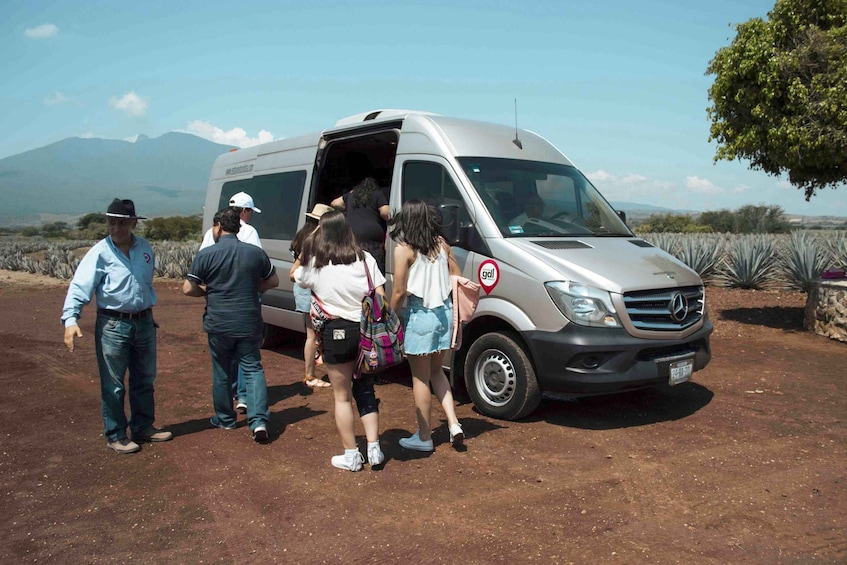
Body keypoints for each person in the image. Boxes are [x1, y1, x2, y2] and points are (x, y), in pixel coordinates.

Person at [62, 198, 172, 454]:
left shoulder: (145, 248)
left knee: (145, 378)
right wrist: (71, 319)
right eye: (112, 222)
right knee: (113, 384)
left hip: (144, 322)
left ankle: (143, 426)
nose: (116, 228)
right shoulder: (100, 252)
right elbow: (80, 286)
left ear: (133, 223)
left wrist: (144, 310)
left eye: (121, 223)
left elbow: (144, 285)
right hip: (113, 325)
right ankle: (116, 434)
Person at [293, 210, 386, 471]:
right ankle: (374, 449)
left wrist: (309, 241)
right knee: (366, 392)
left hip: (336, 332)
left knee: (342, 397)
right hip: (366, 333)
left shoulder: (316, 263)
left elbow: (295, 276)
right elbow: (380, 296)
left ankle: (351, 455)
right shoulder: (365, 259)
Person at [182, 208, 279, 443]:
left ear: (217, 226)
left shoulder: (207, 254)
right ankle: (258, 423)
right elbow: (273, 281)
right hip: (248, 319)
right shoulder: (255, 253)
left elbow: (187, 288)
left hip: (218, 321)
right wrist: (255, 289)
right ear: (238, 226)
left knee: (222, 370)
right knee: (252, 367)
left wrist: (206, 294)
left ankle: (225, 419)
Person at [389, 199, 464, 451]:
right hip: (444, 314)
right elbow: (457, 275)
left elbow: (399, 292)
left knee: (420, 379)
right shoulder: (441, 244)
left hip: (420, 315)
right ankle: (454, 424)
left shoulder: (404, 250)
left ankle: (424, 437)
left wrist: (389, 316)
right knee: (437, 372)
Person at [199, 191, 262, 414]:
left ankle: (227, 409)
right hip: (246, 300)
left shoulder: (211, 233)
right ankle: (245, 398)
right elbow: (260, 268)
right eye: (250, 212)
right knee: (248, 356)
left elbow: (201, 264)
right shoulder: (249, 232)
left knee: (223, 359)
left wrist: (208, 290)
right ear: (244, 211)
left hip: (219, 302)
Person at [289, 203, 334, 389]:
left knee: (311, 335)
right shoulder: (317, 238)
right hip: (312, 288)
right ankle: (311, 375)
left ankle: (310, 374)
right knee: (318, 335)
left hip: (301, 288)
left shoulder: (302, 235)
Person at [330, 177, 390, 275]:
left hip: (352, 241)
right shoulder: (377, 193)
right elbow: (385, 213)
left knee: (355, 272)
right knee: (375, 272)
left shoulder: (352, 194)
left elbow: (334, 203)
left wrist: (348, 208)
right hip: (372, 243)